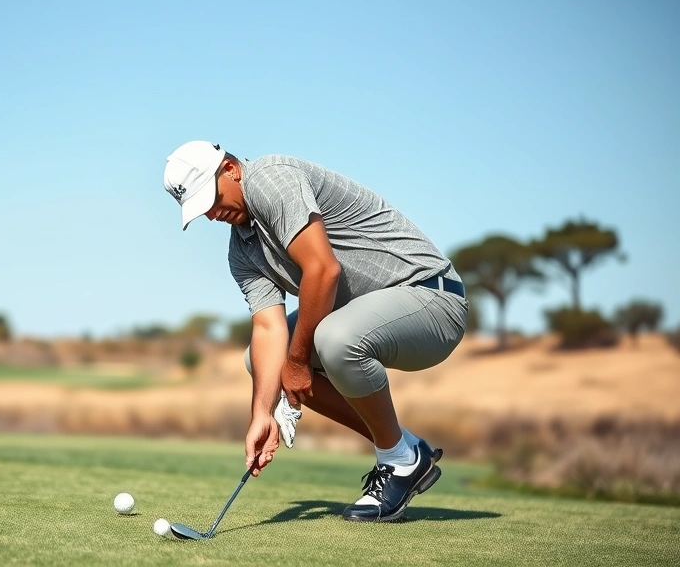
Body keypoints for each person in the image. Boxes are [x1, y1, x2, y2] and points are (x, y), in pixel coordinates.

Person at [162, 140, 469, 522]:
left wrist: (295, 363)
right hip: (368, 315)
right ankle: (404, 452)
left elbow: (323, 270)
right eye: (200, 209)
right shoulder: (241, 250)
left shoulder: (272, 180)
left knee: (332, 340)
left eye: (209, 198)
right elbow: (267, 326)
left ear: (230, 169)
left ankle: (398, 459)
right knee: (259, 365)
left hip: (433, 298)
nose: (211, 214)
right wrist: (262, 414)